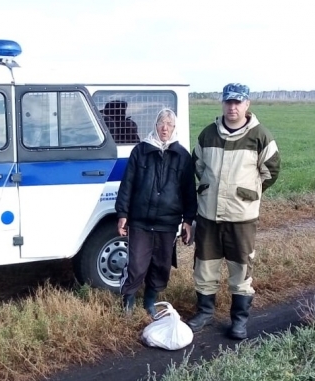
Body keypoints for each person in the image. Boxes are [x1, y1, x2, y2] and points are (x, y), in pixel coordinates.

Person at [186, 83, 281, 340]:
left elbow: (270, 172)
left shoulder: (261, 135)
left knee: (241, 269)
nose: (233, 107)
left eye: (238, 102)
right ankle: (205, 312)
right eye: (229, 102)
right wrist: (210, 188)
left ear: (247, 104)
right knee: (205, 267)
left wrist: (249, 194)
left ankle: (238, 320)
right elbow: (198, 165)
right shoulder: (208, 134)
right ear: (223, 104)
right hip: (208, 215)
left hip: (242, 218)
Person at [115, 107, 197, 317]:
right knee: (136, 264)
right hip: (140, 220)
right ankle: (129, 299)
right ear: (155, 125)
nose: (164, 128)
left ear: (174, 128)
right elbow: (127, 185)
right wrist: (123, 214)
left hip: (167, 222)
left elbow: (189, 191)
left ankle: (150, 301)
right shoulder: (140, 151)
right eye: (161, 123)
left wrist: (188, 219)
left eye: (169, 125)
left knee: (161, 265)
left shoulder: (182, 156)